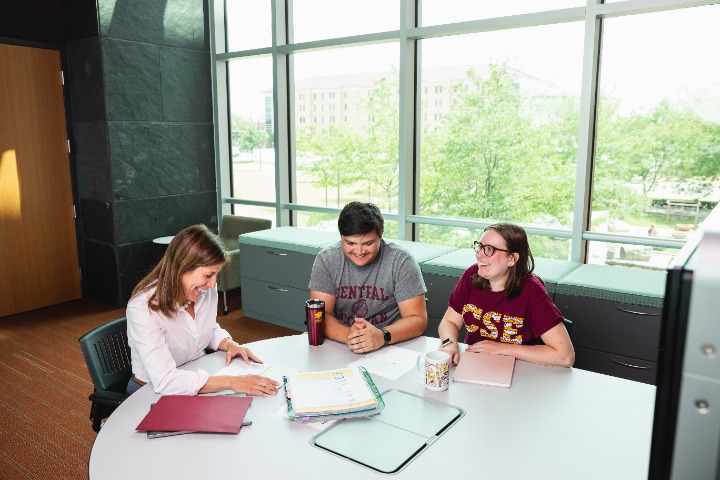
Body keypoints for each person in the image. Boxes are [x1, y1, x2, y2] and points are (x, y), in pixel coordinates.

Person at [125, 224, 280, 396]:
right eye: (208, 275)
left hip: (195, 376)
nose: (213, 284)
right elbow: (164, 380)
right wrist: (232, 382)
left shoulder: (204, 289)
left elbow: (206, 328)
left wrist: (230, 344)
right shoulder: (143, 308)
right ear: (181, 267)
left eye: (216, 275)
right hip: (149, 392)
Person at [438, 223, 575, 368]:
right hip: (475, 365)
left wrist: (502, 349)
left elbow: (565, 356)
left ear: (512, 259)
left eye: (489, 249)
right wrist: (449, 344)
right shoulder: (471, 275)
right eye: (479, 246)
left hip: (521, 370)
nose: (479, 254)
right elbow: (449, 322)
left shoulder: (532, 290)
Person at [309, 202, 428, 353]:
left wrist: (382, 335)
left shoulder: (401, 261)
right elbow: (320, 315)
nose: (359, 251)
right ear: (341, 238)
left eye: (368, 243)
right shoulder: (327, 259)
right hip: (344, 343)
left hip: (392, 345)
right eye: (350, 243)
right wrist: (348, 335)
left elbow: (418, 319)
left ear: (380, 235)